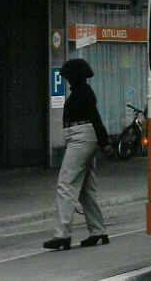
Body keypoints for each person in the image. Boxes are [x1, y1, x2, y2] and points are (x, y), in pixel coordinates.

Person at [42, 58, 111, 250]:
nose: (67, 80)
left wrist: (104, 142)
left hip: (80, 138)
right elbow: (95, 119)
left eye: (68, 76)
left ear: (75, 76)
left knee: (66, 184)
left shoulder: (83, 93)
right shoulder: (84, 92)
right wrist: (103, 142)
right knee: (85, 189)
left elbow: (94, 118)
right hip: (83, 137)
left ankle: (62, 234)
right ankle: (98, 232)